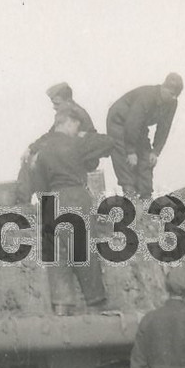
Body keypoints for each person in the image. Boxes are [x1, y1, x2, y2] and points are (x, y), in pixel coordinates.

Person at [31, 105, 114, 315]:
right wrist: (85, 136)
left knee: (57, 259)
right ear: (68, 122)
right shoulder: (76, 143)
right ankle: (96, 306)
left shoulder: (41, 151)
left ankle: (62, 309)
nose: (78, 130)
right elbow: (108, 142)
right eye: (77, 126)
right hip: (75, 196)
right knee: (84, 253)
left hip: (50, 202)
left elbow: (39, 187)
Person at [106, 72, 183, 200]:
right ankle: (130, 194)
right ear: (163, 88)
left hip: (138, 124)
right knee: (124, 157)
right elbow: (133, 122)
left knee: (146, 157)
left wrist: (155, 151)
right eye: (171, 93)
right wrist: (130, 151)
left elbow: (164, 127)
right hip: (119, 120)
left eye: (176, 95)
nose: (173, 97)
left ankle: (146, 196)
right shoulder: (147, 96)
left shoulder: (172, 103)